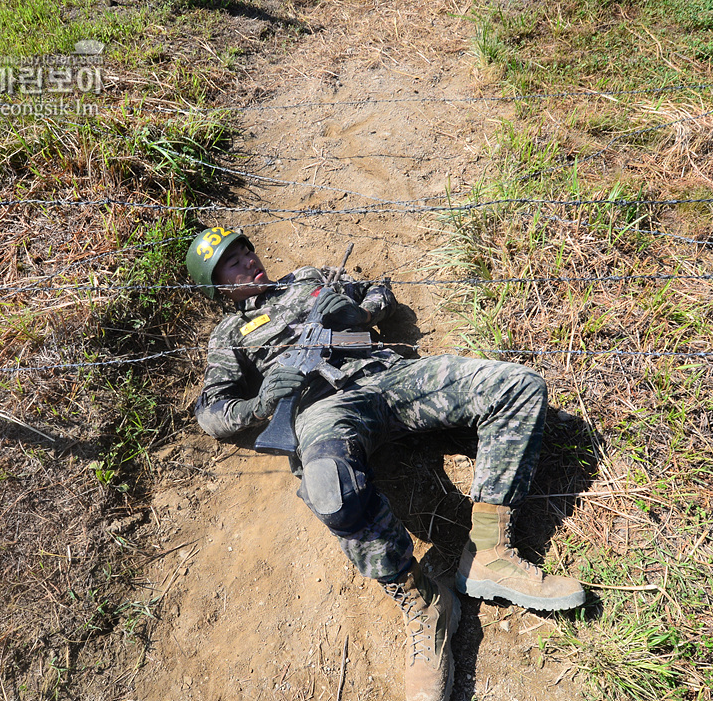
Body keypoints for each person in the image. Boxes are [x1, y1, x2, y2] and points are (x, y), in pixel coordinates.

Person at [185, 226, 585, 701]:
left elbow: (380, 294)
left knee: (517, 386)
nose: (249, 261)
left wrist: (360, 311)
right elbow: (211, 412)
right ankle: (424, 601)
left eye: (247, 250)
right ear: (218, 287)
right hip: (322, 407)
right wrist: (261, 403)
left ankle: (488, 553)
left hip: (388, 376)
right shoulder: (228, 336)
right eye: (233, 263)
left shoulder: (309, 279)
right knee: (328, 483)